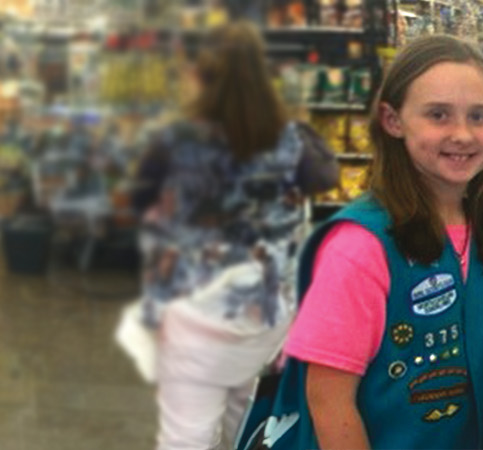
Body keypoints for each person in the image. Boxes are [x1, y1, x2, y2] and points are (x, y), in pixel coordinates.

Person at [236, 35, 483, 450]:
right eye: (438, 115)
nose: (462, 134)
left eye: (479, 116)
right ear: (393, 120)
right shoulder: (360, 248)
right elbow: (329, 401)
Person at [130, 22, 338, 450]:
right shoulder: (291, 139)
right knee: (250, 426)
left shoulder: (175, 140)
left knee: (187, 434)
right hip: (265, 317)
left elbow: (139, 198)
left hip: (194, 310)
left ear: (202, 77)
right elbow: (326, 175)